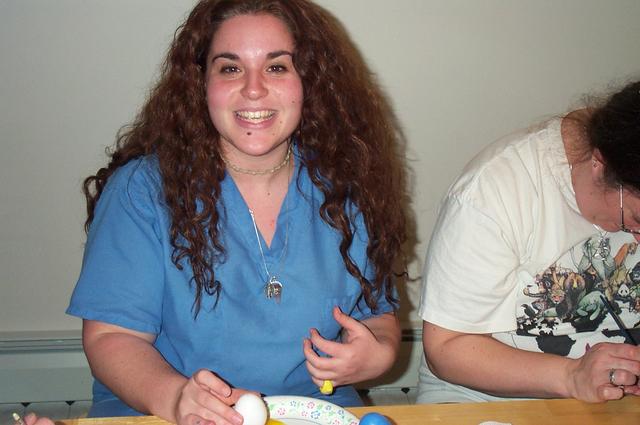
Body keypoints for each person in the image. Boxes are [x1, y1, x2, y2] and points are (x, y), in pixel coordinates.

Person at [62, 1, 407, 424]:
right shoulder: (143, 191)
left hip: (314, 411)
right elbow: (112, 337)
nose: (254, 89)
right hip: (165, 412)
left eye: (277, 67)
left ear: (310, 81)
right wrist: (174, 398)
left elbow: (378, 316)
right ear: (200, 83)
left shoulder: (349, 188)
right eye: (230, 68)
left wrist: (378, 353)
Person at [418, 80, 640, 404]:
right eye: (634, 218)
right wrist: (571, 376)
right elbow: (447, 348)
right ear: (599, 165)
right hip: (488, 401)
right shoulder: (492, 192)